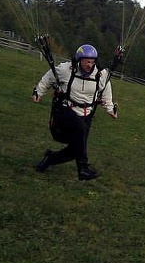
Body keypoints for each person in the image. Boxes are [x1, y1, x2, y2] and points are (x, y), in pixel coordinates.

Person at [32, 44, 118, 180]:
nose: (90, 65)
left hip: (86, 114)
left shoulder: (101, 75)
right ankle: (83, 169)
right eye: (87, 61)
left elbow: (106, 92)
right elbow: (49, 77)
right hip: (65, 110)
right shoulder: (66, 70)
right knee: (79, 128)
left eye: (93, 61)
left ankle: (49, 159)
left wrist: (110, 109)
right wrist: (38, 92)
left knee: (75, 150)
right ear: (79, 60)